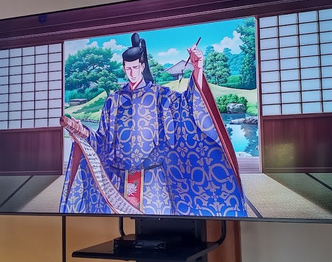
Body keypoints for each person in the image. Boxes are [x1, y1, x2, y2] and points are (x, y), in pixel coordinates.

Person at [59, 32, 247, 216]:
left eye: (135, 67)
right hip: (118, 183)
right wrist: (83, 132)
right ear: (124, 68)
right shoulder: (112, 101)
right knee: (119, 226)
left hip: (153, 182)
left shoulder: (161, 96)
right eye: (128, 68)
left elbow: (188, 106)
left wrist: (197, 69)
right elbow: (103, 141)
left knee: (159, 225)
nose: (132, 72)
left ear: (142, 66)